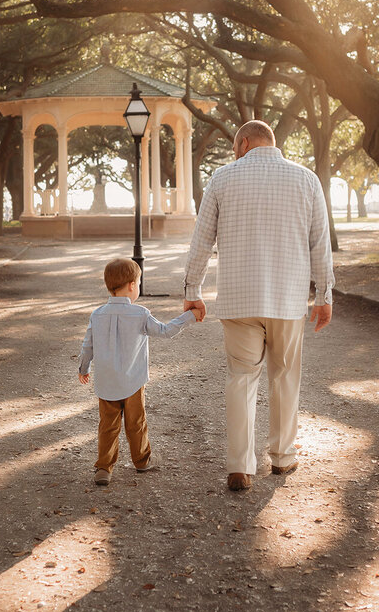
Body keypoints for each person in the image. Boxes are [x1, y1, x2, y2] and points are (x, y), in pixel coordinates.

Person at [183, 120, 334, 492]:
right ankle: (282, 457)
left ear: (244, 143)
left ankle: (240, 466)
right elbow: (320, 244)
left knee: (241, 379)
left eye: (237, 147)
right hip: (287, 300)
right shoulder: (306, 179)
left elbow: (201, 241)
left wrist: (193, 289)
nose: (236, 153)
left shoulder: (222, 178)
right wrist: (325, 296)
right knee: (284, 378)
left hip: (238, 300)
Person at [79, 258, 200, 486]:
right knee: (136, 423)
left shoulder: (97, 314)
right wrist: (190, 316)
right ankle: (142, 460)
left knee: (107, 425)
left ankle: (104, 468)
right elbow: (164, 331)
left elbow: (88, 346)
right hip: (133, 382)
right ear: (132, 285)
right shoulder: (140, 314)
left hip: (106, 383)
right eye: (139, 281)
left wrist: (83, 368)